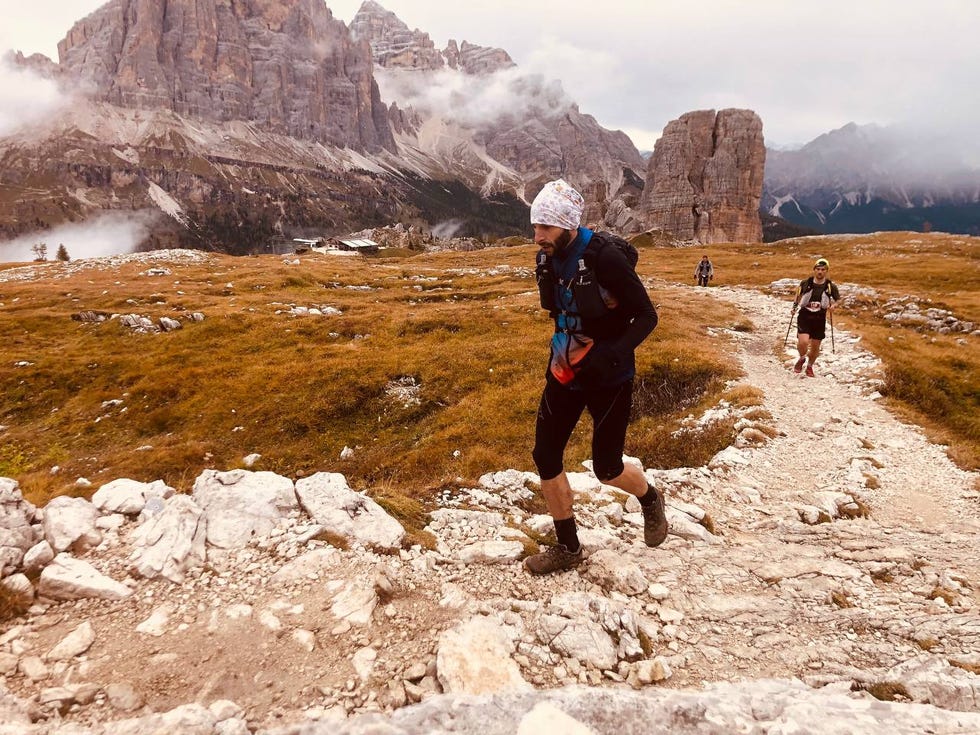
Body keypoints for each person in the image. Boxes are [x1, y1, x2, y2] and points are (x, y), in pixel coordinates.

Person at [525, 179, 667, 575]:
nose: (538, 236)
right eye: (535, 226)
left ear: (569, 225)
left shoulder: (605, 259)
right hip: (564, 371)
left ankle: (650, 497)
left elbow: (647, 315)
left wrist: (612, 354)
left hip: (610, 378)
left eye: (546, 228)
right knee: (545, 455)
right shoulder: (548, 257)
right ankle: (568, 549)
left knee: (607, 467)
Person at [791, 258, 840, 377]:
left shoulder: (830, 286)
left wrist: (833, 306)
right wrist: (794, 307)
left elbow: (838, 299)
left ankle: (810, 366)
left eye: (823, 270)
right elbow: (798, 295)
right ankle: (802, 358)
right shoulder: (805, 283)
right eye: (818, 269)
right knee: (803, 342)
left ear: (826, 271)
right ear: (814, 270)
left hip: (820, 317)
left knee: (815, 346)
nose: (820, 272)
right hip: (805, 315)